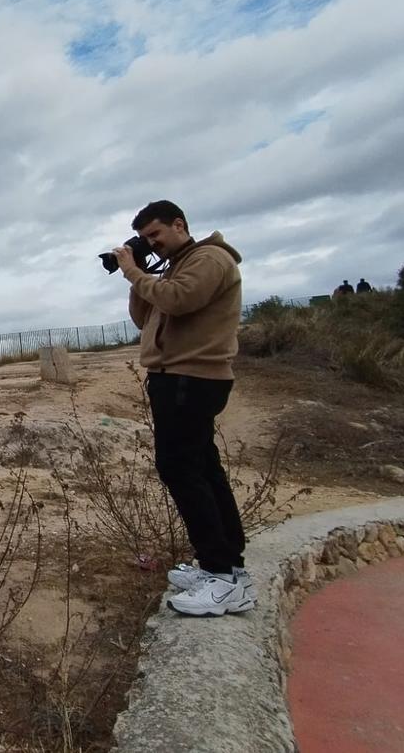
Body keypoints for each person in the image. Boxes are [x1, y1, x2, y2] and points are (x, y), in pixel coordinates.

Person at [112, 200, 254, 617]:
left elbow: (177, 300)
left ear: (180, 224)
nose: (151, 244)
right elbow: (145, 317)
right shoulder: (174, 265)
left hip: (192, 378)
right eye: (143, 239)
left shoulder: (209, 259)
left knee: (181, 468)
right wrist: (137, 274)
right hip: (175, 378)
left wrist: (135, 271)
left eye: (155, 235)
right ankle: (229, 566)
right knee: (202, 467)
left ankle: (219, 575)